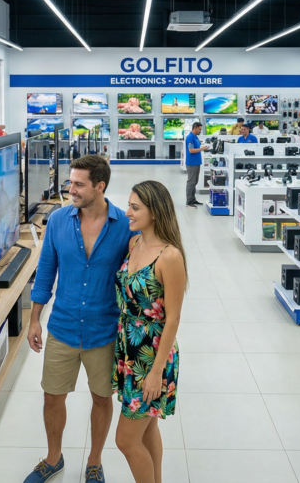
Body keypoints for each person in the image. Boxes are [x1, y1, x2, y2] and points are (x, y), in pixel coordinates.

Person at [26, 154, 137, 483]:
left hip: (105, 329)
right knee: (52, 396)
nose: (70, 189)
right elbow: (46, 272)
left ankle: (94, 461)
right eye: (69, 182)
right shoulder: (59, 221)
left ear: (99, 186)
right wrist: (35, 319)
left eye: (78, 184)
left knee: (102, 398)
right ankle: (53, 457)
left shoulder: (124, 225)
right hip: (62, 325)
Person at [113, 180, 185, 483]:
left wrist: (156, 373)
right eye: (129, 205)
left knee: (126, 440)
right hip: (129, 350)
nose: (127, 212)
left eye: (135, 207)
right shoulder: (134, 243)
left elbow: (173, 319)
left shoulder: (169, 256)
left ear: (154, 212)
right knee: (148, 427)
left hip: (152, 357)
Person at [184, 122, 204, 209]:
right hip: (191, 163)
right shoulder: (190, 137)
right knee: (191, 182)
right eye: (199, 129)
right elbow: (191, 150)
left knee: (195, 182)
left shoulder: (195, 137)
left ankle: (193, 199)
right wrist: (202, 148)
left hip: (196, 162)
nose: (200, 131)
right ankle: (188, 202)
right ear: (195, 128)